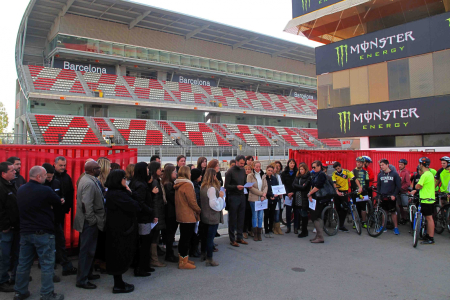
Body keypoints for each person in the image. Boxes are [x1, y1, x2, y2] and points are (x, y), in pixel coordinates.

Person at [14, 166, 65, 300]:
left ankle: (20, 292)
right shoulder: (45, 190)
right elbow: (58, 202)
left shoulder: (21, 189)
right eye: (44, 175)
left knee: (23, 263)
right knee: (47, 264)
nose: (46, 177)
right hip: (43, 232)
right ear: (38, 177)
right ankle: (47, 294)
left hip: (25, 232)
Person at [104, 169, 140, 294]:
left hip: (119, 228)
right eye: (124, 178)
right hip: (120, 230)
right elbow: (135, 206)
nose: (126, 181)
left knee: (119, 255)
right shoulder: (117, 194)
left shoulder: (115, 192)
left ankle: (119, 283)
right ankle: (118, 285)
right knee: (119, 256)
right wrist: (130, 193)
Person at [73, 161, 105, 290]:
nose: (100, 170)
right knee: (87, 251)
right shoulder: (89, 183)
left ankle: (87, 274)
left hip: (88, 221)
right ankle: (82, 280)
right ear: (92, 170)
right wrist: (92, 221)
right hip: (89, 223)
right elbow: (87, 205)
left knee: (89, 251)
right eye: (98, 168)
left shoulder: (88, 179)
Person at [42, 163, 77, 277]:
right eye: (48, 177)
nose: (50, 179)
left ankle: (66, 267)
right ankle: (49, 273)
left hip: (56, 218)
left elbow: (62, 195)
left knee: (60, 243)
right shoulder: (39, 186)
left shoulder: (56, 182)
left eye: (51, 177)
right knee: (47, 246)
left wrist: (62, 200)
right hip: (44, 222)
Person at [129, 162, 157, 277]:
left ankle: (144, 266)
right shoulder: (140, 185)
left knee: (144, 243)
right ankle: (141, 268)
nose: (148, 171)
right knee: (144, 244)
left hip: (142, 217)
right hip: (143, 218)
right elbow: (140, 202)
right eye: (146, 169)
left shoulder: (136, 183)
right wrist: (150, 210)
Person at [174, 166, 201, 269]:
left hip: (181, 213)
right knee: (186, 238)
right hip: (188, 214)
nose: (190, 174)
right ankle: (183, 262)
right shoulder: (187, 185)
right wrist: (198, 209)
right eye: (189, 172)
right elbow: (192, 201)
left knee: (183, 238)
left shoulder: (178, 183)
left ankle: (183, 258)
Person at [0, 162, 20, 293]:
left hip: (15, 226)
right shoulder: (1, 187)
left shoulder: (11, 184)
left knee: (13, 254)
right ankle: (2, 281)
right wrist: (5, 226)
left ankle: (12, 278)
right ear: (3, 174)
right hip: (6, 229)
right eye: (12, 170)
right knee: (4, 256)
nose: (15, 172)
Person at [200, 169, 225, 266]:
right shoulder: (211, 188)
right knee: (210, 238)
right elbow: (213, 204)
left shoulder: (203, 187)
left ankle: (203, 254)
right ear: (213, 176)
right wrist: (221, 197)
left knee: (204, 236)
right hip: (212, 216)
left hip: (204, 215)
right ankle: (209, 259)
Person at [332, 161, 362, 232]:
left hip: (344, 192)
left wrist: (360, 187)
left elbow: (355, 179)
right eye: (336, 169)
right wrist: (337, 191)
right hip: (337, 192)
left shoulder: (347, 172)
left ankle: (341, 225)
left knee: (345, 208)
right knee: (338, 208)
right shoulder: (334, 174)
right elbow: (334, 183)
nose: (338, 170)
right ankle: (338, 223)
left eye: (338, 168)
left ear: (340, 166)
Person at [224, 155, 247, 247]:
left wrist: (247, 185)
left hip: (241, 196)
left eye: (243, 164)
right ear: (236, 162)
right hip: (233, 197)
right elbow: (226, 186)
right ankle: (232, 238)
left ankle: (239, 237)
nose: (242, 165)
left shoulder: (243, 170)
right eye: (241, 163)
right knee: (233, 218)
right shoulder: (230, 171)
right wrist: (236, 187)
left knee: (241, 217)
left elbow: (244, 182)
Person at [148, 161, 166, 268]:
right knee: (154, 237)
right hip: (157, 213)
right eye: (159, 168)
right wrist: (156, 215)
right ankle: (154, 259)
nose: (161, 170)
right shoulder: (155, 182)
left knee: (155, 236)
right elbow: (155, 200)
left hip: (157, 211)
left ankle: (154, 258)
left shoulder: (156, 180)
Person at [307, 161, 330, 244]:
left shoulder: (321, 174)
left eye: (314, 167)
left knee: (315, 217)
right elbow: (312, 186)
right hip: (315, 198)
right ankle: (318, 235)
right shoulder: (315, 174)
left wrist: (310, 193)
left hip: (320, 198)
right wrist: (310, 194)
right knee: (316, 217)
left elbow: (318, 186)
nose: (313, 169)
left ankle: (320, 236)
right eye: (312, 167)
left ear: (319, 166)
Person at [377, 159, 401, 235]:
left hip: (391, 197)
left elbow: (398, 186)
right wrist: (378, 196)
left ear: (387, 165)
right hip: (383, 196)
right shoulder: (380, 175)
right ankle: (383, 227)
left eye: (383, 165)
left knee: (393, 212)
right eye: (380, 165)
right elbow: (378, 186)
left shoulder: (394, 174)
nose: (381, 166)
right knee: (384, 212)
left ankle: (396, 228)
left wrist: (394, 195)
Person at [415, 157, 436, 244]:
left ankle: (430, 237)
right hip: (429, 198)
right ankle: (428, 235)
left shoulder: (425, 175)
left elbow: (418, 186)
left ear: (421, 165)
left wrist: (418, 185)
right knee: (428, 218)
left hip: (426, 199)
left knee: (429, 218)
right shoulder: (430, 174)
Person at [161, 164, 178, 263]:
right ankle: (169, 254)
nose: (176, 173)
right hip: (170, 213)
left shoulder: (168, 183)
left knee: (170, 234)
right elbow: (173, 199)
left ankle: (169, 253)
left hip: (169, 212)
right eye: (174, 171)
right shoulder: (168, 185)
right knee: (170, 234)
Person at [247, 161, 267, 241]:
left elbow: (266, 186)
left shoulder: (263, 175)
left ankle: (259, 233)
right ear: (253, 167)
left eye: (259, 167)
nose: (258, 168)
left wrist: (263, 194)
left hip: (262, 198)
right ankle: (255, 233)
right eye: (256, 167)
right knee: (254, 216)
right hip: (254, 198)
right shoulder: (250, 176)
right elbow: (250, 187)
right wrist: (261, 193)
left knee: (260, 216)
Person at [292, 163, 311, 237]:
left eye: (302, 169)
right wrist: (299, 186)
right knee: (299, 211)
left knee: (304, 213)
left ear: (305, 169)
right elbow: (293, 185)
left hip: (304, 197)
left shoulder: (308, 177)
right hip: (297, 197)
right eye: (300, 169)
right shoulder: (297, 176)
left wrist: (298, 186)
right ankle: (302, 229)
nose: (301, 171)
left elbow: (305, 187)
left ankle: (304, 231)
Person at [351, 157, 370, 228]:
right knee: (355, 207)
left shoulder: (365, 172)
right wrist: (356, 189)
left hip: (363, 192)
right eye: (358, 162)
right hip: (355, 192)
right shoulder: (352, 171)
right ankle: (355, 222)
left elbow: (367, 183)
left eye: (360, 162)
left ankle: (363, 222)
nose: (359, 163)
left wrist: (363, 189)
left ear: (362, 164)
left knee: (363, 208)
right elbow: (352, 183)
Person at [281, 159, 297, 233]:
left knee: (296, 211)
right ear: (288, 164)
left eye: (293, 163)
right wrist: (287, 193)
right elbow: (283, 184)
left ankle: (296, 228)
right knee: (288, 211)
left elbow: (298, 184)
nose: (292, 164)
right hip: (287, 194)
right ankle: (288, 227)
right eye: (291, 163)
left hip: (295, 194)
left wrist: (293, 192)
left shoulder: (297, 173)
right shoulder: (284, 173)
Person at [189, 168, 202, 258]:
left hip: (196, 212)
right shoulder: (194, 187)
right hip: (195, 212)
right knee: (194, 232)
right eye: (199, 175)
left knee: (195, 231)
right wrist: (198, 210)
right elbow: (195, 200)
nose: (201, 176)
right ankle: (193, 250)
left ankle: (194, 249)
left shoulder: (196, 185)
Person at [264, 165, 279, 238]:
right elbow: (264, 189)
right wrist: (270, 195)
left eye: (271, 171)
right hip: (267, 198)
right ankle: (266, 230)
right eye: (269, 170)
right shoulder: (264, 178)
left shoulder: (274, 178)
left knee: (272, 214)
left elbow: (277, 187)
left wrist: (275, 196)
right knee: (266, 215)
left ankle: (270, 229)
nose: (270, 172)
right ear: (266, 170)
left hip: (274, 199)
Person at [271, 161, 284, 235]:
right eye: (275, 168)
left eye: (276, 168)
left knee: (278, 212)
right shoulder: (270, 176)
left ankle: (277, 227)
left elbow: (280, 185)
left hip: (278, 196)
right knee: (273, 212)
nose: (276, 169)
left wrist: (281, 193)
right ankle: (274, 227)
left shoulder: (278, 176)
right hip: (272, 196)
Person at [397, 159, 411, 224]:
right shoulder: (397, 172)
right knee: (399, 205)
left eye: (401, 164)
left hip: (403, 191)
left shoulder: (406, 172)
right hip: (398, 192)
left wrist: (402, 188)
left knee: (405, 205)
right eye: (399, 164)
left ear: (404, 165)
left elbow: (408, 183)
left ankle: (405, 218)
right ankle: (402, 218)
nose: (400, 166)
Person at [243, 165, 253, 239]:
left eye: (249, 169)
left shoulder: (252, 177)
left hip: (252, 197)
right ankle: (244, 231)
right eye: (246, 169)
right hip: (244, 198)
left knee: (250, 214)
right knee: (245, 215)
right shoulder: (242, 178)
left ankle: (250, 229)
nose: (247, 170)